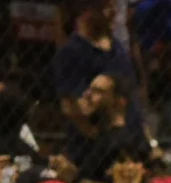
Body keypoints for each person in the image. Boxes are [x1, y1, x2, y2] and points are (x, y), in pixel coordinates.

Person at [53, 0, 140, 131]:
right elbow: (69, 105)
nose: (113, 13)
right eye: (106, 8)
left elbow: (133, 102)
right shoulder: (73, 51)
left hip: (129, 137)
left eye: (114, 7)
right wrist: (94, 134)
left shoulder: (118, 50)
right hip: (97, 141)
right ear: (89, 11)